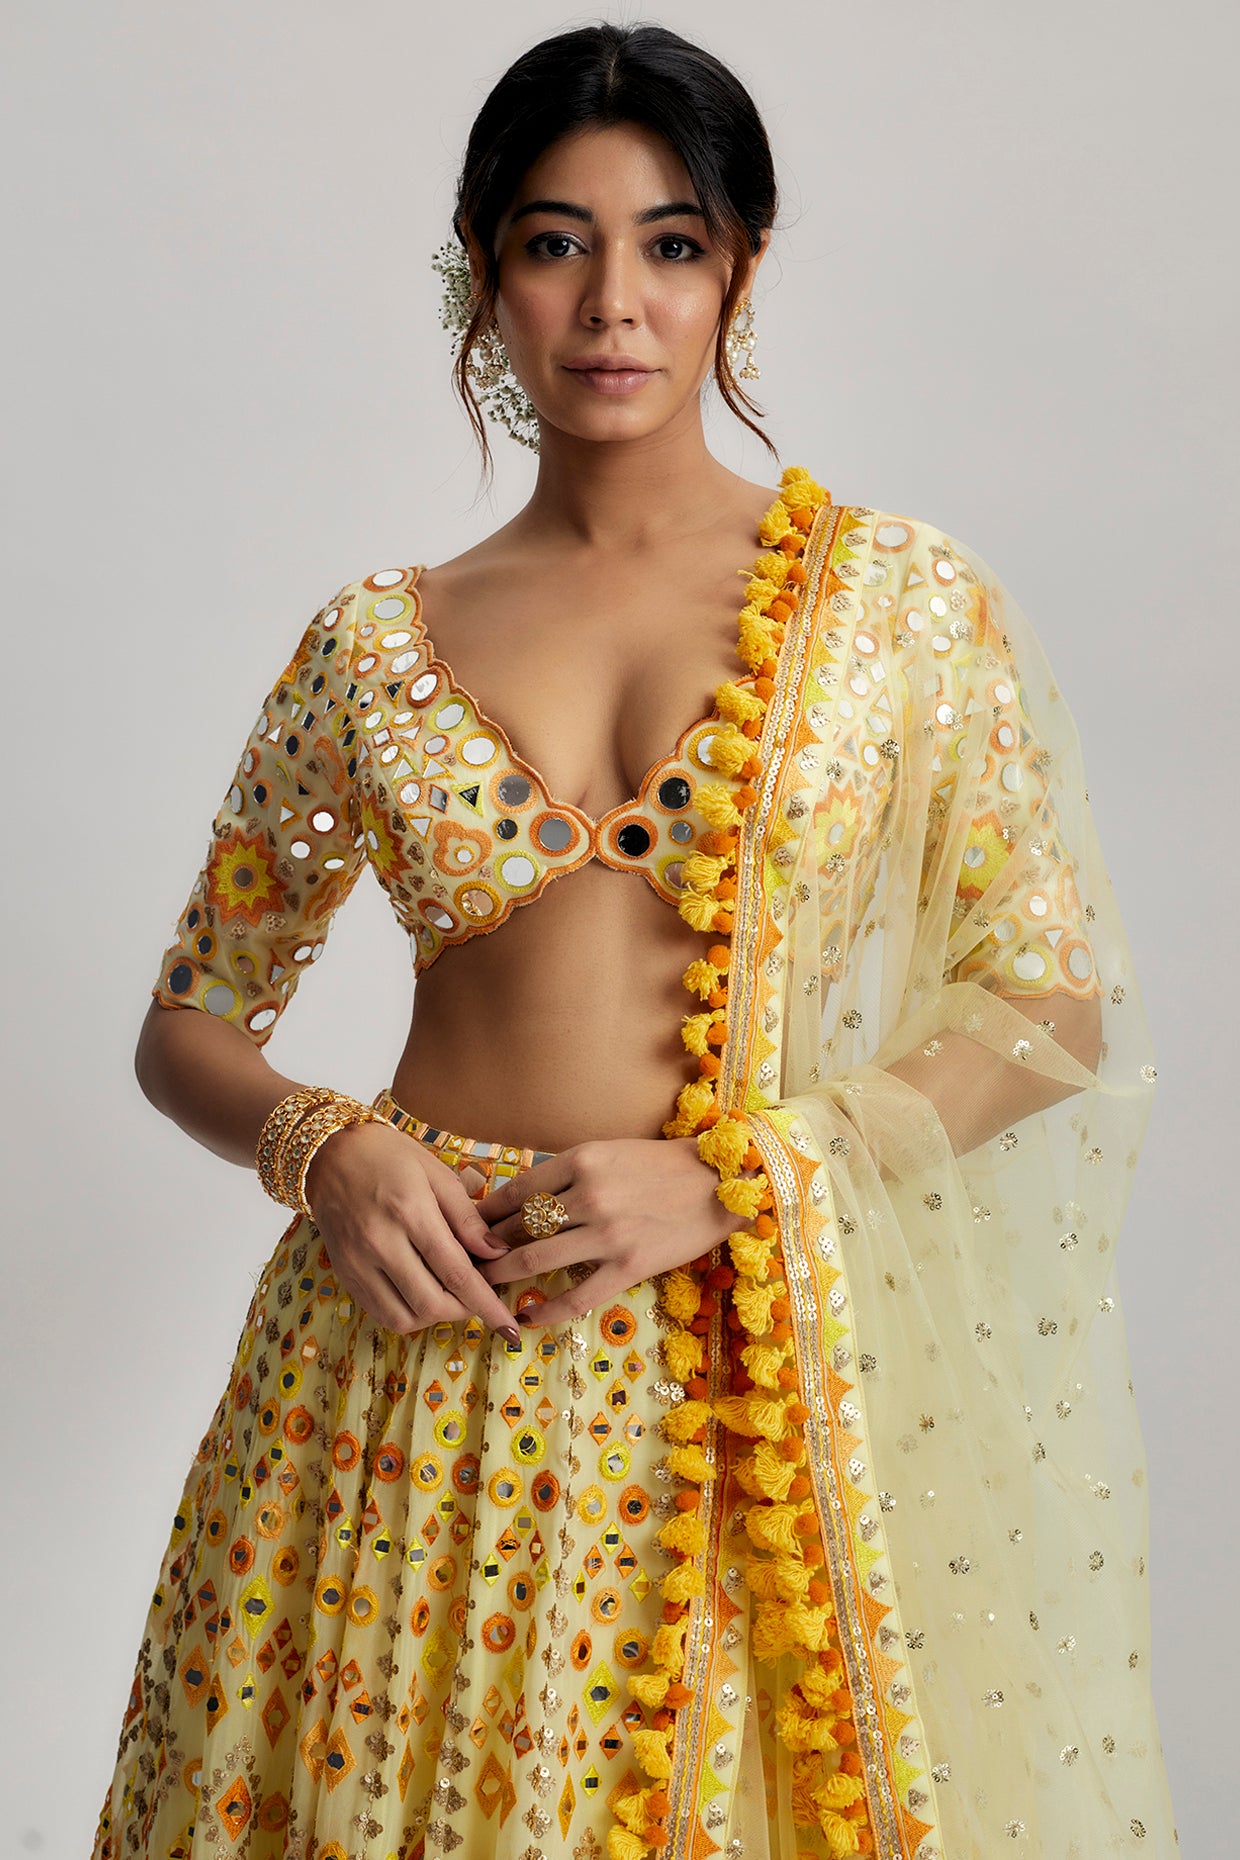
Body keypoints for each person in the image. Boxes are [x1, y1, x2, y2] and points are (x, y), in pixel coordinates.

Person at [92, 21, 1180, 1860]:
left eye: (671, 244)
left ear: (738, 268)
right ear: (483, 273)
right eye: (556, 243)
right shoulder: (373, 644)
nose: (615, 303)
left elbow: (1052, 1005)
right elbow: (191, 1020)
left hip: (736, 1371)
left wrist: (744, 1179)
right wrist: (324, 1151)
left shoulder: (901, 611)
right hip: (399, 1370)